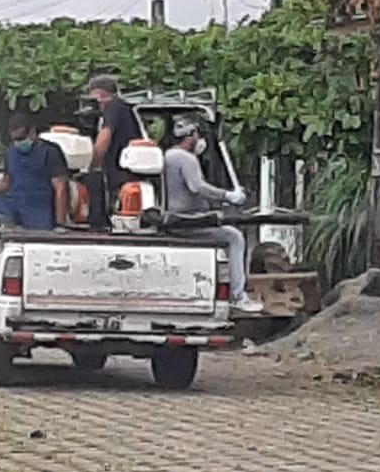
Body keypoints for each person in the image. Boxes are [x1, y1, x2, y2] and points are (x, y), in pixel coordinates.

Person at [164, 117, 263, 313]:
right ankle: (238, 296)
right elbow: (197, 186)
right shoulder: (186, 158)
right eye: (196, 134)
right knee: (234, 237)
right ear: (190, 136)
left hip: (177, 218)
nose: (199, 139)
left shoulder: (168, 155)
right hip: (188, 221)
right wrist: (227, 195)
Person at [0, 113, 69, 231]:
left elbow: (60, 189)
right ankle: (2, 222)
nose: (18, 143)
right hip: (14, 206)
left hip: (38, 209)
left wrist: (60, 224)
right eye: (14, 140)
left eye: (21, 138)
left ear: (32, 132)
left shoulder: (50, 152)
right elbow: (6, 183)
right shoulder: (10, 152)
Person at [87, 74, 142, 201]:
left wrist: (91, 164)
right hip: (127, 174)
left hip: (121, 174)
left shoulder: (113, 106)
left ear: (99, 94)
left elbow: (105, 136)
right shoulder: (124, 108)